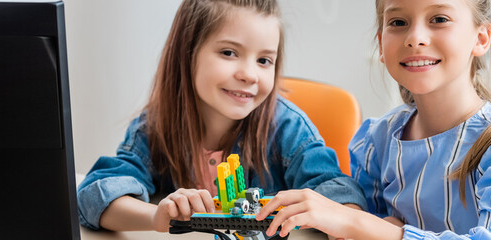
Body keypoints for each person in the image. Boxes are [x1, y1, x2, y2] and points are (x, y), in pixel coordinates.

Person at [256, 0, 491, 239]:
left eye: (439, 19)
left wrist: (363, 225)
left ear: (481, 37)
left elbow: (363, 227)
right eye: (398, 22)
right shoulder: (377, 140)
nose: (415, 38)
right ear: (380, 43)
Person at [76, 0, 365, 232]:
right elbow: (93, 196)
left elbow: (343, 200)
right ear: (187, 54)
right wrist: (157, 217)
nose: (249, 74)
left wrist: (337, 216)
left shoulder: (288, 129)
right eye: (229, 52)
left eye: (264, 60)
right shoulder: (153, 129)